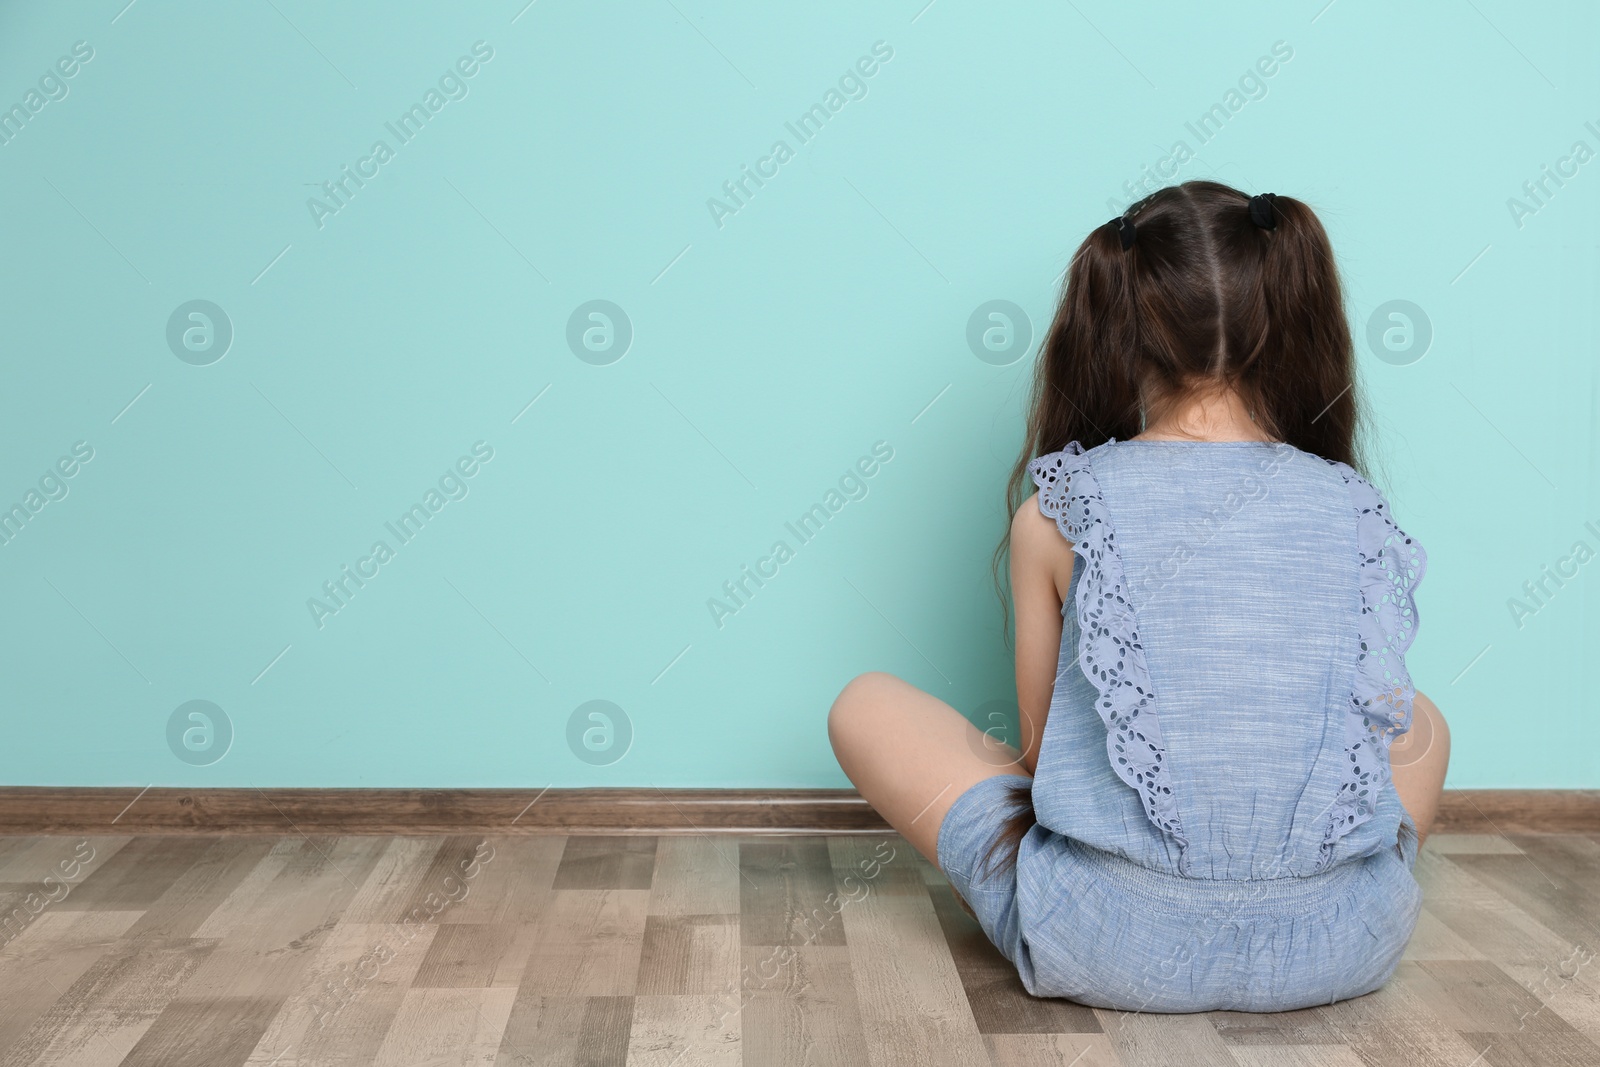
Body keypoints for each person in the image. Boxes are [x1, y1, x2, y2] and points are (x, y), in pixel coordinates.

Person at [827, 180, 1450, 1013]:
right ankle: (1315, 890)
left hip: (1103, 940)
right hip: (1340, 945)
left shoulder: (1059, 505)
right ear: (1287, 319)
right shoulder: (1350, 502)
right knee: (1426, 722)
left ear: (1116, 322)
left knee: (865, 703)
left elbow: (1045, 762)